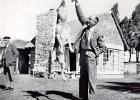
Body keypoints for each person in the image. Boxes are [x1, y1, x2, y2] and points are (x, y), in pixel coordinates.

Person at [72, 0, 106, 99]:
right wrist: (77, 3)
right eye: (88, 18)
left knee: (91, 79)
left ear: (95, 22)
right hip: (82, 56)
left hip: (91, 57)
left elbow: (103, 48)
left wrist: (95, 54)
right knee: (82, 78)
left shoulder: (98, 33)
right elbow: (81, 16)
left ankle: (92, 98)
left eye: (90, 19)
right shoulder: (85, 27)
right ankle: (83, 97)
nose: (87, 19)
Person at [51, 0, 74, 81]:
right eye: (62, 12)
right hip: (56, 48)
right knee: (52, 61)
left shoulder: (67, 26)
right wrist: (60, 45)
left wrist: (70, 46)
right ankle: (52, 73)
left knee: (63, 64)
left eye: (65, 12)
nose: (64, 14)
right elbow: (57, 36)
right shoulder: (58, 26)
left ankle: (62, 73)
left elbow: (69, 36)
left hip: (62, 49)